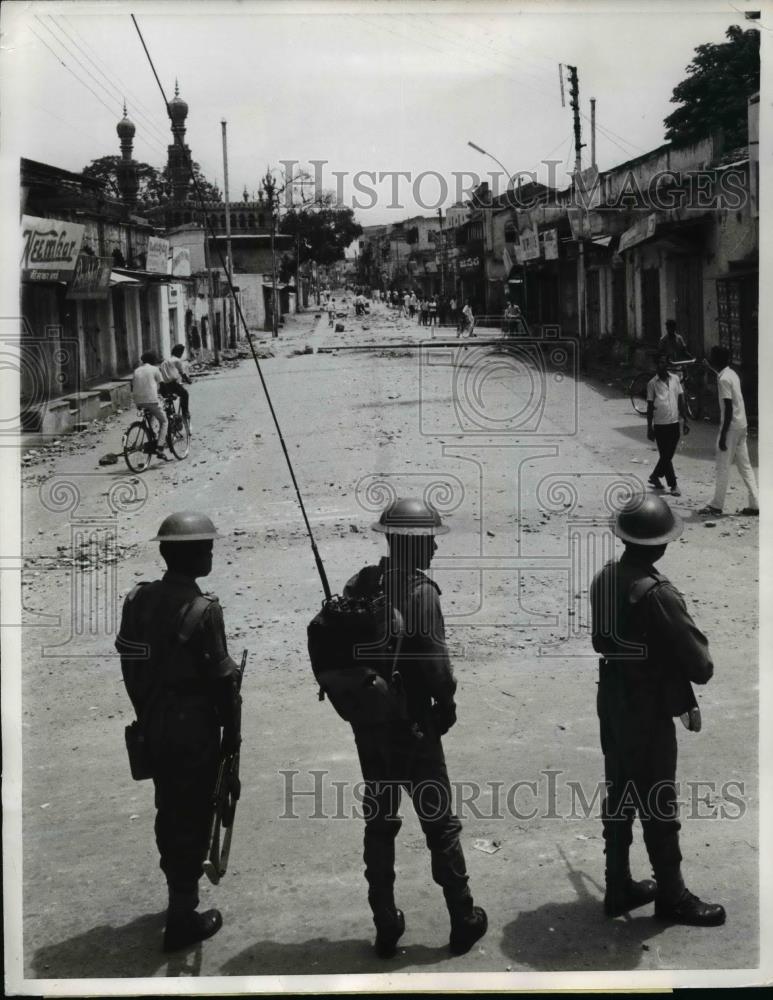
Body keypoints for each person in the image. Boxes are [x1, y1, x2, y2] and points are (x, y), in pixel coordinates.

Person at [343, 498, 488, 958]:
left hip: (369, 725)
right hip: (413, 726)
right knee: (439, 823)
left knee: (380, 822)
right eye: (428, 540)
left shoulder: (360, 583)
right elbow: (437, 668)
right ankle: (462, 916)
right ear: (413, 542)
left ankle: (385, 921)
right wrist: (446, 704)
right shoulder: (422, 593)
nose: (433, 550)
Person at [590, 494, 725, 926]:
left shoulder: (604, 577)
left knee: (620, 792)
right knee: (659, 803)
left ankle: (618, 886)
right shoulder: (658, 593)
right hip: (646, 706)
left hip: (612, 698)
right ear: (661, 544)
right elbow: (700, 666)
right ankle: (672, 895)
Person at [115, 512, 242, 951]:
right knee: (194, 814)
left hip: (154, 723)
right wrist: (232, 736)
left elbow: (129, 664)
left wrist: (148, 710)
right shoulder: (205, 610)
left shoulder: (137, 599)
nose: (211, 553)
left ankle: (177, 895)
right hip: (195, 731)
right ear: (194, 555)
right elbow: (223, 680)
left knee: (168, 809)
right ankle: (183, 917)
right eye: (206, 547)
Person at [699, 346, 759, 517]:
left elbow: (727, 406)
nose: (710, 359)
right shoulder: (731, 374)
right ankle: (755, 504)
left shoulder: (723, 379)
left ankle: (717, 505)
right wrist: (709, 368)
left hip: (731, 427)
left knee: (723, 467)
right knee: (745, 467)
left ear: (717, 360)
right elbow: (721, 375)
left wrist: (723, 436)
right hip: (742, 425)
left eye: (712, 357)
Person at [646, 352, 689, 497]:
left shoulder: (676, 379)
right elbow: (650, 407)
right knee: (666, 454)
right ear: (656, 365)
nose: (661, 365)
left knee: (667, 455)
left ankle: (655, 475)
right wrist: (649, 427)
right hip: (660, 424)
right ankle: (673, 485)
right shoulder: (652, 384)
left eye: (664, 362)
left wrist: (686, 420)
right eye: (659, 363)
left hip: (674, 422)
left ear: (667, 364)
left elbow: (681, 400)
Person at [132, 351, 169, 461]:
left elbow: (133, 385)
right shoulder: (154, 369)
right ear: (153, 361)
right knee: (164, 421)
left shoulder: (136, 370)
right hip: (151, 400)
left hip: (138, 401)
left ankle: (151, 436)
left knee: (151, 417)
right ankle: (159, 447)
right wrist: (168, 395)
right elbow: (162, 385)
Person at [159, 344, 193, 429]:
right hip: (172, 384)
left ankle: (170, 416)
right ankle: (185, 413)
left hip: (164, 386)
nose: (181, 354)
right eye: (181, 352)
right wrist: (188, 380)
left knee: (169, 401)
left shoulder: (164, 361)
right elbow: (182, 373)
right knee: (185, 394)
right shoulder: (177, 360)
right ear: (179, 352)